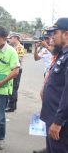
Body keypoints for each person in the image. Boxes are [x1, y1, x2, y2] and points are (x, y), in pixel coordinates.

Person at [40, 18, 68, 153]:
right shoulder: (62, 54)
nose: (52, 37)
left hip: (60, 123)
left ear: (66, 34)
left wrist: (58, 122)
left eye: (55, 33)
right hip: (51, 115)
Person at [6, 33, 24, 112]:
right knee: (11, 86)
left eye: (11, 38)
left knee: (14, 88)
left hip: (17, 69)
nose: (10, 39)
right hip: (12, 69)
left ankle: (12, 106)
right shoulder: (12, 47)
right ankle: (11, 105)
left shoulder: (19, 47)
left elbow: (19, 59)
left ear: (16, 38)